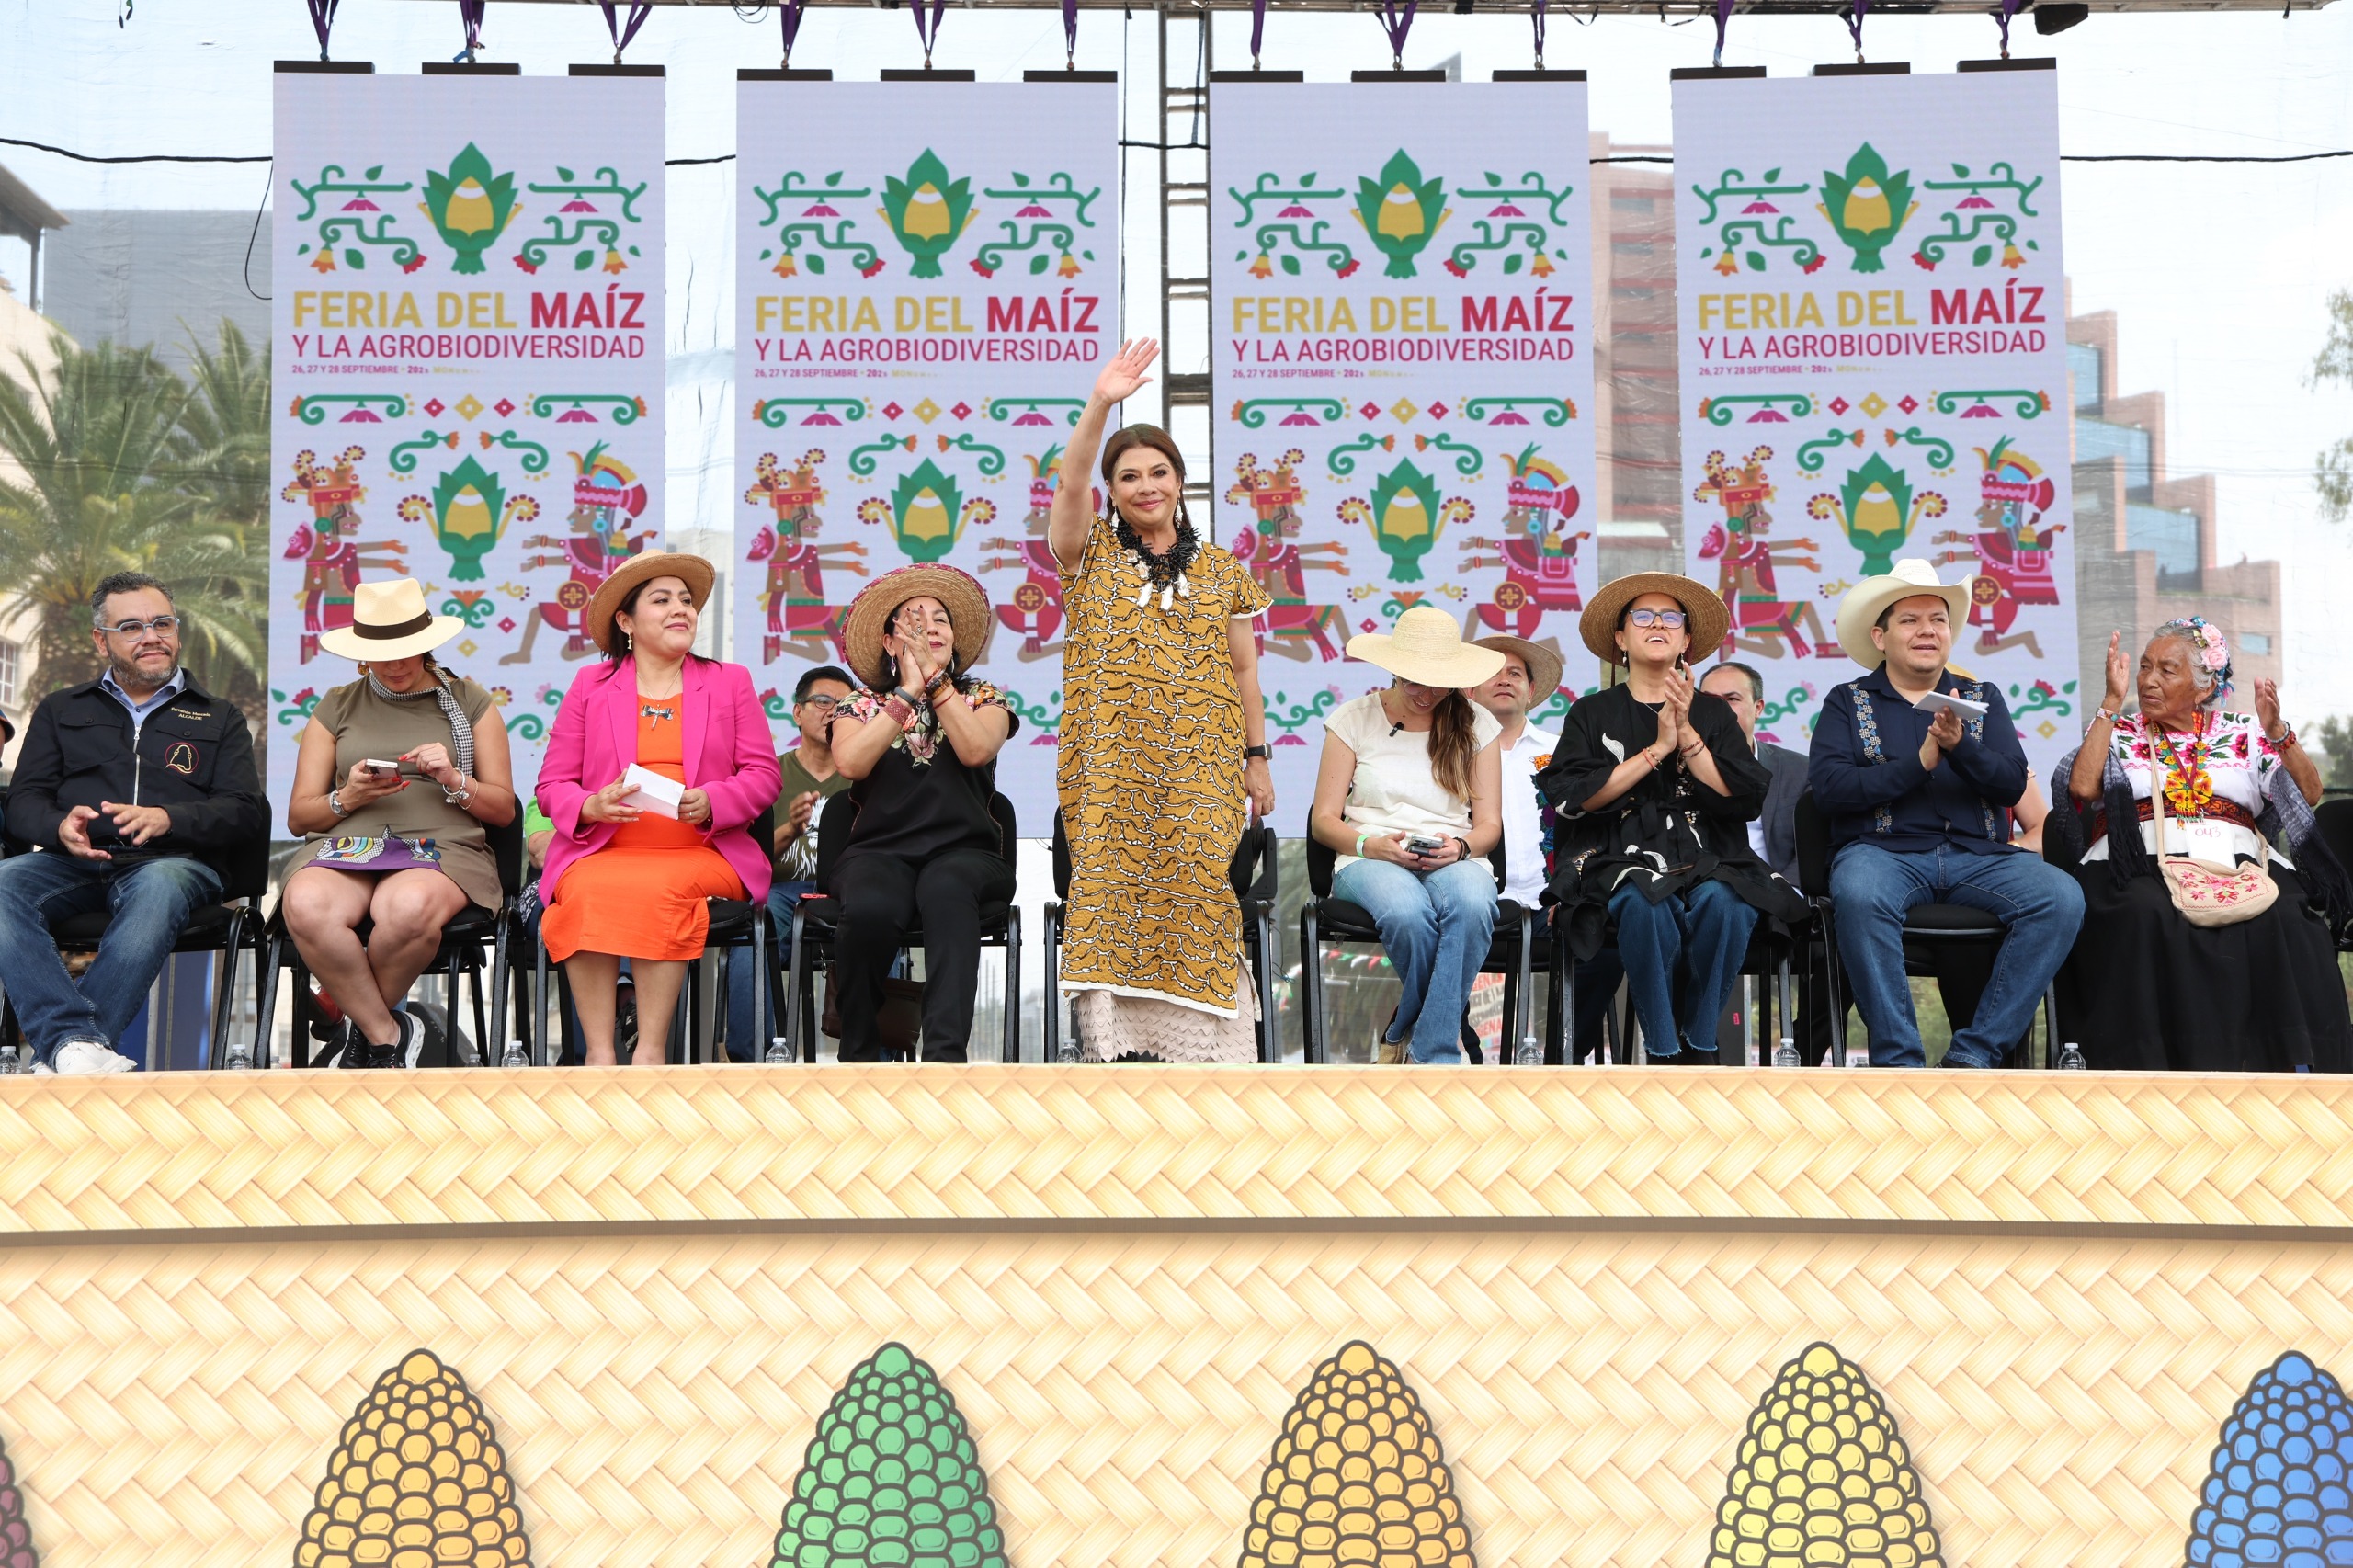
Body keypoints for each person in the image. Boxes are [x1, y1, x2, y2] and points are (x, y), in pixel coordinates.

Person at [1048, 339, 1276, 1063]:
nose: (1146, 486)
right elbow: (1068, 482)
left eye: (1159, 472)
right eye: (1128, 477)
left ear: (1180, 480)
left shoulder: (1222, 571)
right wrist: (1100, 403)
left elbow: (1244, 672)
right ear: (1111, 492)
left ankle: (1208, 1057)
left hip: (1203, 769)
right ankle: (1113, 1056)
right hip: (1110, 769)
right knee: (1111, 898)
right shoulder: (1090, 556)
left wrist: (1256, 757)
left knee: (1199, 894)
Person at [1808, 559, 2084, 1068]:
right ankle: (1898, 1059)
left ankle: (1975, 1055)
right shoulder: (1847, 701)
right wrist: (1918, 764)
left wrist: (1961, 748)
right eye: (1909, 620)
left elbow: (2009, 780)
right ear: (1881, 635)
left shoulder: (1982, 697)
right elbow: (1829, 790)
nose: (1926, 631)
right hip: (1883, 855)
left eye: (1937, 619)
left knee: (2061, 897)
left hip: (1980, 858)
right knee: (1858, 891)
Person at [2052, 619, 2351, 1072]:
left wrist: (2279, 733)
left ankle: (2292, 1070)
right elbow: (2083, 786)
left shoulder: (2244, 731)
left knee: (2289, 917)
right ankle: (2144, 1066)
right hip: (2140, 859)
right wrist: (2111, 704)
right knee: (2142, 913)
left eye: (2167, 670)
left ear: (2203, 685)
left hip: (2238, 860)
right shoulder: (2124, 729)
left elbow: (2307, 794)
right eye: (2145, 667)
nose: (2149, 679)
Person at [0, 573, 267, 1074]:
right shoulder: (62, 710)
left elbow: (245, 811)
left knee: (159, 886)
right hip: (71, 865)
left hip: (174, 863)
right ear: (102, 640)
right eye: (132, 626)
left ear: (178, 631)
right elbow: (23, 803)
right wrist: (59, 827)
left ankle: (66, 1048)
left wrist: (169, 818)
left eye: (162, 622)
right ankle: (78, 1050)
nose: (151, 636)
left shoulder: (219, 716)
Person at [1540, 576, 1802, 1065]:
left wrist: (1686, 736)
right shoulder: (1591, 712)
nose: (1657, 623)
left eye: (1671, 618)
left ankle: (1701, 1042)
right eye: (1643, 616)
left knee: (1728, 901)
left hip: (1708, 850)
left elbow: (1742, 795)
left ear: (1685, 641)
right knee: (1643, 901)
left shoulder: (1712, 713)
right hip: (1618, 850)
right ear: (1621, 639)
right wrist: (1657, 748)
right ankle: (1662, 1049)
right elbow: (1575, 797)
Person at [535, 552, 782, 1067]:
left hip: (703, 848)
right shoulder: (590, 686)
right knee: (581, 889)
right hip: (605, 848)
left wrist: (714, 800)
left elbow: (763, 777)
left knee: (659, 889)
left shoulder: (729, 681)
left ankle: (650, 1054)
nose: (681, 610)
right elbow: (552, 784)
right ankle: (600, 1056)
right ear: (625, 621)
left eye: (687, 601)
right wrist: (591, 804)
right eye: (662, 600)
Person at [281, 577, 519, 1068]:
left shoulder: (469, 702)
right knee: (304, 903)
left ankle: (347, 1023)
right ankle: (387, 1034)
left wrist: (453, 777)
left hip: (444, 847)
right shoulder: (336, 705)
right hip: (349, 847)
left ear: (428, 644)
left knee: (407, 908)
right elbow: (300, 816)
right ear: (361, 653)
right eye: (380, 653)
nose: (394, 664)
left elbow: (502, 811)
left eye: (407, 651)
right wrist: (347, 796)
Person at [827, 565, 1018, 1062]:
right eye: (912, 622)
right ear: (891, 643)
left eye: (939, 621)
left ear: (954, 641)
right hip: (879, 850)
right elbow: (849, 762)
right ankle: (861, 1055)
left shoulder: (984, 697)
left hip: (967, 852)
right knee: (870, 905)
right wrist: (906, 694)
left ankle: (944, 1057)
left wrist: (936, 684)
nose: (929, 629)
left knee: (947, 888)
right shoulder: (860, 703)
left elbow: (976, 749)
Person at [1309, 608, 1504, 1065]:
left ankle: (1410, 1036)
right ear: (1393, 669)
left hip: (1454, 855)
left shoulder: (1477, 724)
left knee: (1475, 905)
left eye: (1437, 682)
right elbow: (1323, 819)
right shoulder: (1353, 720)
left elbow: (1489, 827)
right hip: (1370, 853)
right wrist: (1368, 845)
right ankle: (1436, 1050)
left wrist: (1459, 848)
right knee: (1407, 914)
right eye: (1413, 680)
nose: (1425, 693)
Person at [723, 664, 857, 1059]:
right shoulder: (767, 777)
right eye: (822, 701)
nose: (832, 710)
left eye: (844, 705)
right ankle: (756, 1060)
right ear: (797, 712)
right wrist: (791, 829)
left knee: (883, 918)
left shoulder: (866, 775)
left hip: (847, 895)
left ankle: (873, 1062)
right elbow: (747, 862)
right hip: (781, 896)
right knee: (752, 924)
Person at [1468, 635, 1576, 1060]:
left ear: (1531, 692)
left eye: (1515, 673)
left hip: (1552, 909)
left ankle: (1567, 1058)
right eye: (1492, 672)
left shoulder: (1562, 754)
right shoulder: (1449, 754)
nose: (1504, 679)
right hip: (1474, 906)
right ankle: (1464, 1055)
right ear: (1469, 691)